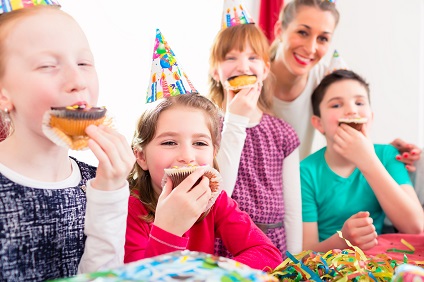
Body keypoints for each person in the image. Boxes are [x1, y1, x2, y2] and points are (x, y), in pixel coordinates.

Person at [0, 5, 135, 281]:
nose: (78, 81)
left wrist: (110, 193)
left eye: (84, 64)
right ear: (3, 95)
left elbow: (102, 276)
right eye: (48, 66)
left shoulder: (99, 182)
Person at [124, 93, 283, 271]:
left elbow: (268, 254)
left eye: (199, 143)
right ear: (141, 156)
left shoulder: (215, 200)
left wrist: (212, 275)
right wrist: (168, 230)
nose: (187, 157)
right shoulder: (129, 209)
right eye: (169, 142)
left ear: (214, 152)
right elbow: (138, 276)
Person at [270, 0, 421, 167]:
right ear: (279, 30)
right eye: (302, 32)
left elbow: (353, 136)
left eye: (322, 38)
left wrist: (386, 153)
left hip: (309, 184)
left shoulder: (329, 81)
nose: (311, 48)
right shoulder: (250, 78)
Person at [301, 69, 424, 252]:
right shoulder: (305, 172)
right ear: (319, 123)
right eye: (336, 105)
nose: (351, 110)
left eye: (359, 102)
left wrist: (367, 160)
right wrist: (343, 240)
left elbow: (416, 227)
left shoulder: (388, 155)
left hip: (380, 263)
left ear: (371, 117)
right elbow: (304, 252)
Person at [208, 21, 302, 256]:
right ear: (216, 72)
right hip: (223, 244)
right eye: (230, 58)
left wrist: (295, 260)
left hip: (273, 245)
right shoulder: (205, 128)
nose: (242, 66)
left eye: (253, 57)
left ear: (266, 70)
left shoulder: (283, 133)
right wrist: (235, 121)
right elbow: (218, 194)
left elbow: (292, 211)